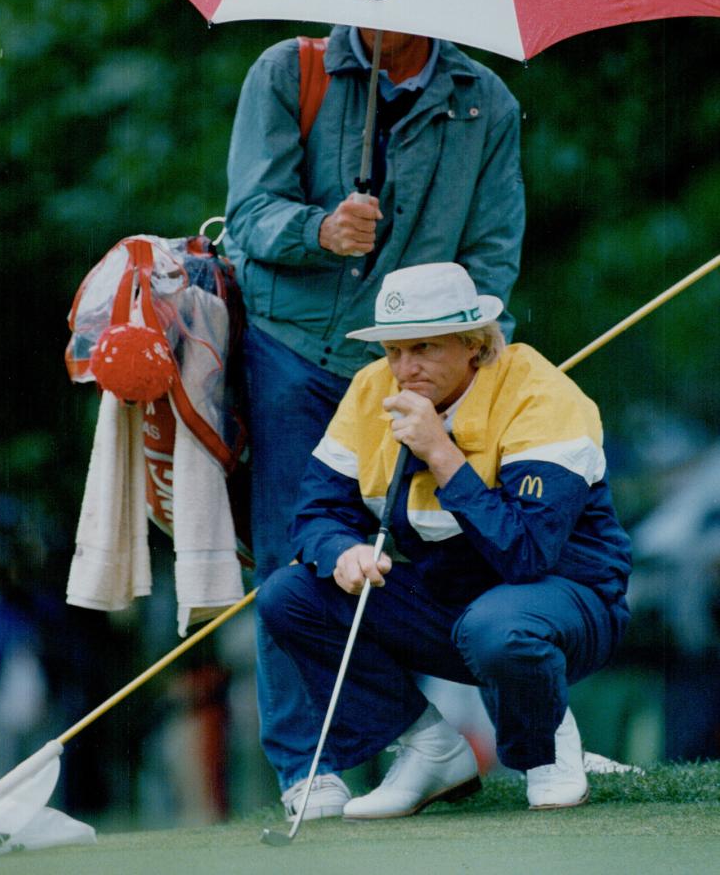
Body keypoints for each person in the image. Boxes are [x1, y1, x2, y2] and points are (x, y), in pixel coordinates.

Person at [223, 26, 525, 814]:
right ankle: (309, 766)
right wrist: (317, 230)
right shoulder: (289, 71)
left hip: (420, 368)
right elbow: (247, 214)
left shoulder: (484, 100)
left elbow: (492, 253)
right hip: (295, 351)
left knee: (421, 549)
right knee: (301, 555)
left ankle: (452, 741)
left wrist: (472, 362)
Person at [257, 262, 632, 816]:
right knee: (288, 596)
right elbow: (314, 514)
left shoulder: (542, 394)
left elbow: (525, 555)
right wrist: (344, 552)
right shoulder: (371, 391)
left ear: (474, 345)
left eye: (425, 348)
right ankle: (430, 748)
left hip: (570, 601)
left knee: (498, 625)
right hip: (455, 605)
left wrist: (442, 453)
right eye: (393, 352)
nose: (404, 369)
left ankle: (544, 746)